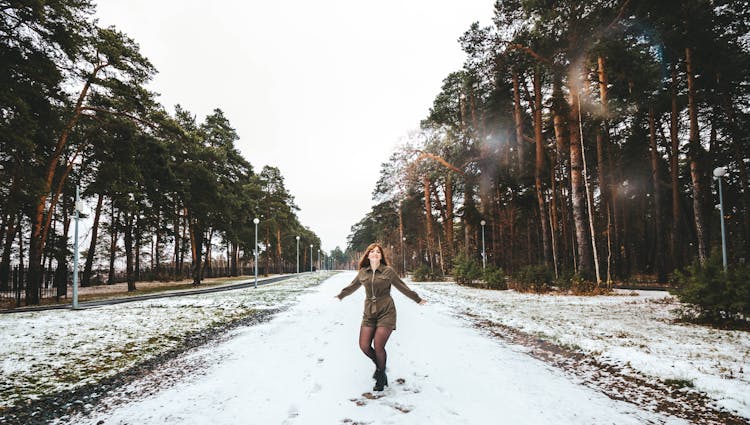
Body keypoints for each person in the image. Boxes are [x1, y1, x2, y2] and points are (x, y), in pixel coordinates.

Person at [335, 243, 426, 391]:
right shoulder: (363, 272)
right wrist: (341, 295)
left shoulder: (388, 271)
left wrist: (417, 299)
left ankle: (381, 376)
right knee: (364, 346)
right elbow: (352, 286)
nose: (375, 253)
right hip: (369, 312)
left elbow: (402, 286)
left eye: (378, 252)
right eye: (372, 251)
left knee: (378, 345)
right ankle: (379, 367)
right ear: (368, 255)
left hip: (386, 311)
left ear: (381, 256)